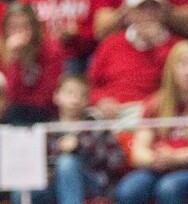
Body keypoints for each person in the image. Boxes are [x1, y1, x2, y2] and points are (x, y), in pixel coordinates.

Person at [114, 42, 188, 204]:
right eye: (183, 65)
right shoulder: (155, 103)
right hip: (160, 166)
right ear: (171, 69)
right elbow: (139, 151)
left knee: (169, 187)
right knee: (129, 189)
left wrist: (177, 157)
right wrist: (157, 159)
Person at [12, 72, 126, 204]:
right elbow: (39, 165)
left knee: (67, 162)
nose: (75, 100)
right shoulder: (48, 129)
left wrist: (81, 147)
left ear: (88, 100)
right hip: (54, 183)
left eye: (81, 95)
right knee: (21, 192)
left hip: (93, 183)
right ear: (57, 96)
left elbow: (117, 161)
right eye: (69, 93)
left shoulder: (96, 126)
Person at [88, 0, 180, 116]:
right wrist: (101, 100)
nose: (148, 13)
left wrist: (159, 46)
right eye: (141, 8)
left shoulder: (176, 47)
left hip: (150, 115)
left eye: (154, 7)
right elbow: (90, 85)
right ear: (129, 12)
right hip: (109, 113)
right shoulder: (111, 43)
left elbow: (181, 86)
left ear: (162, 11)